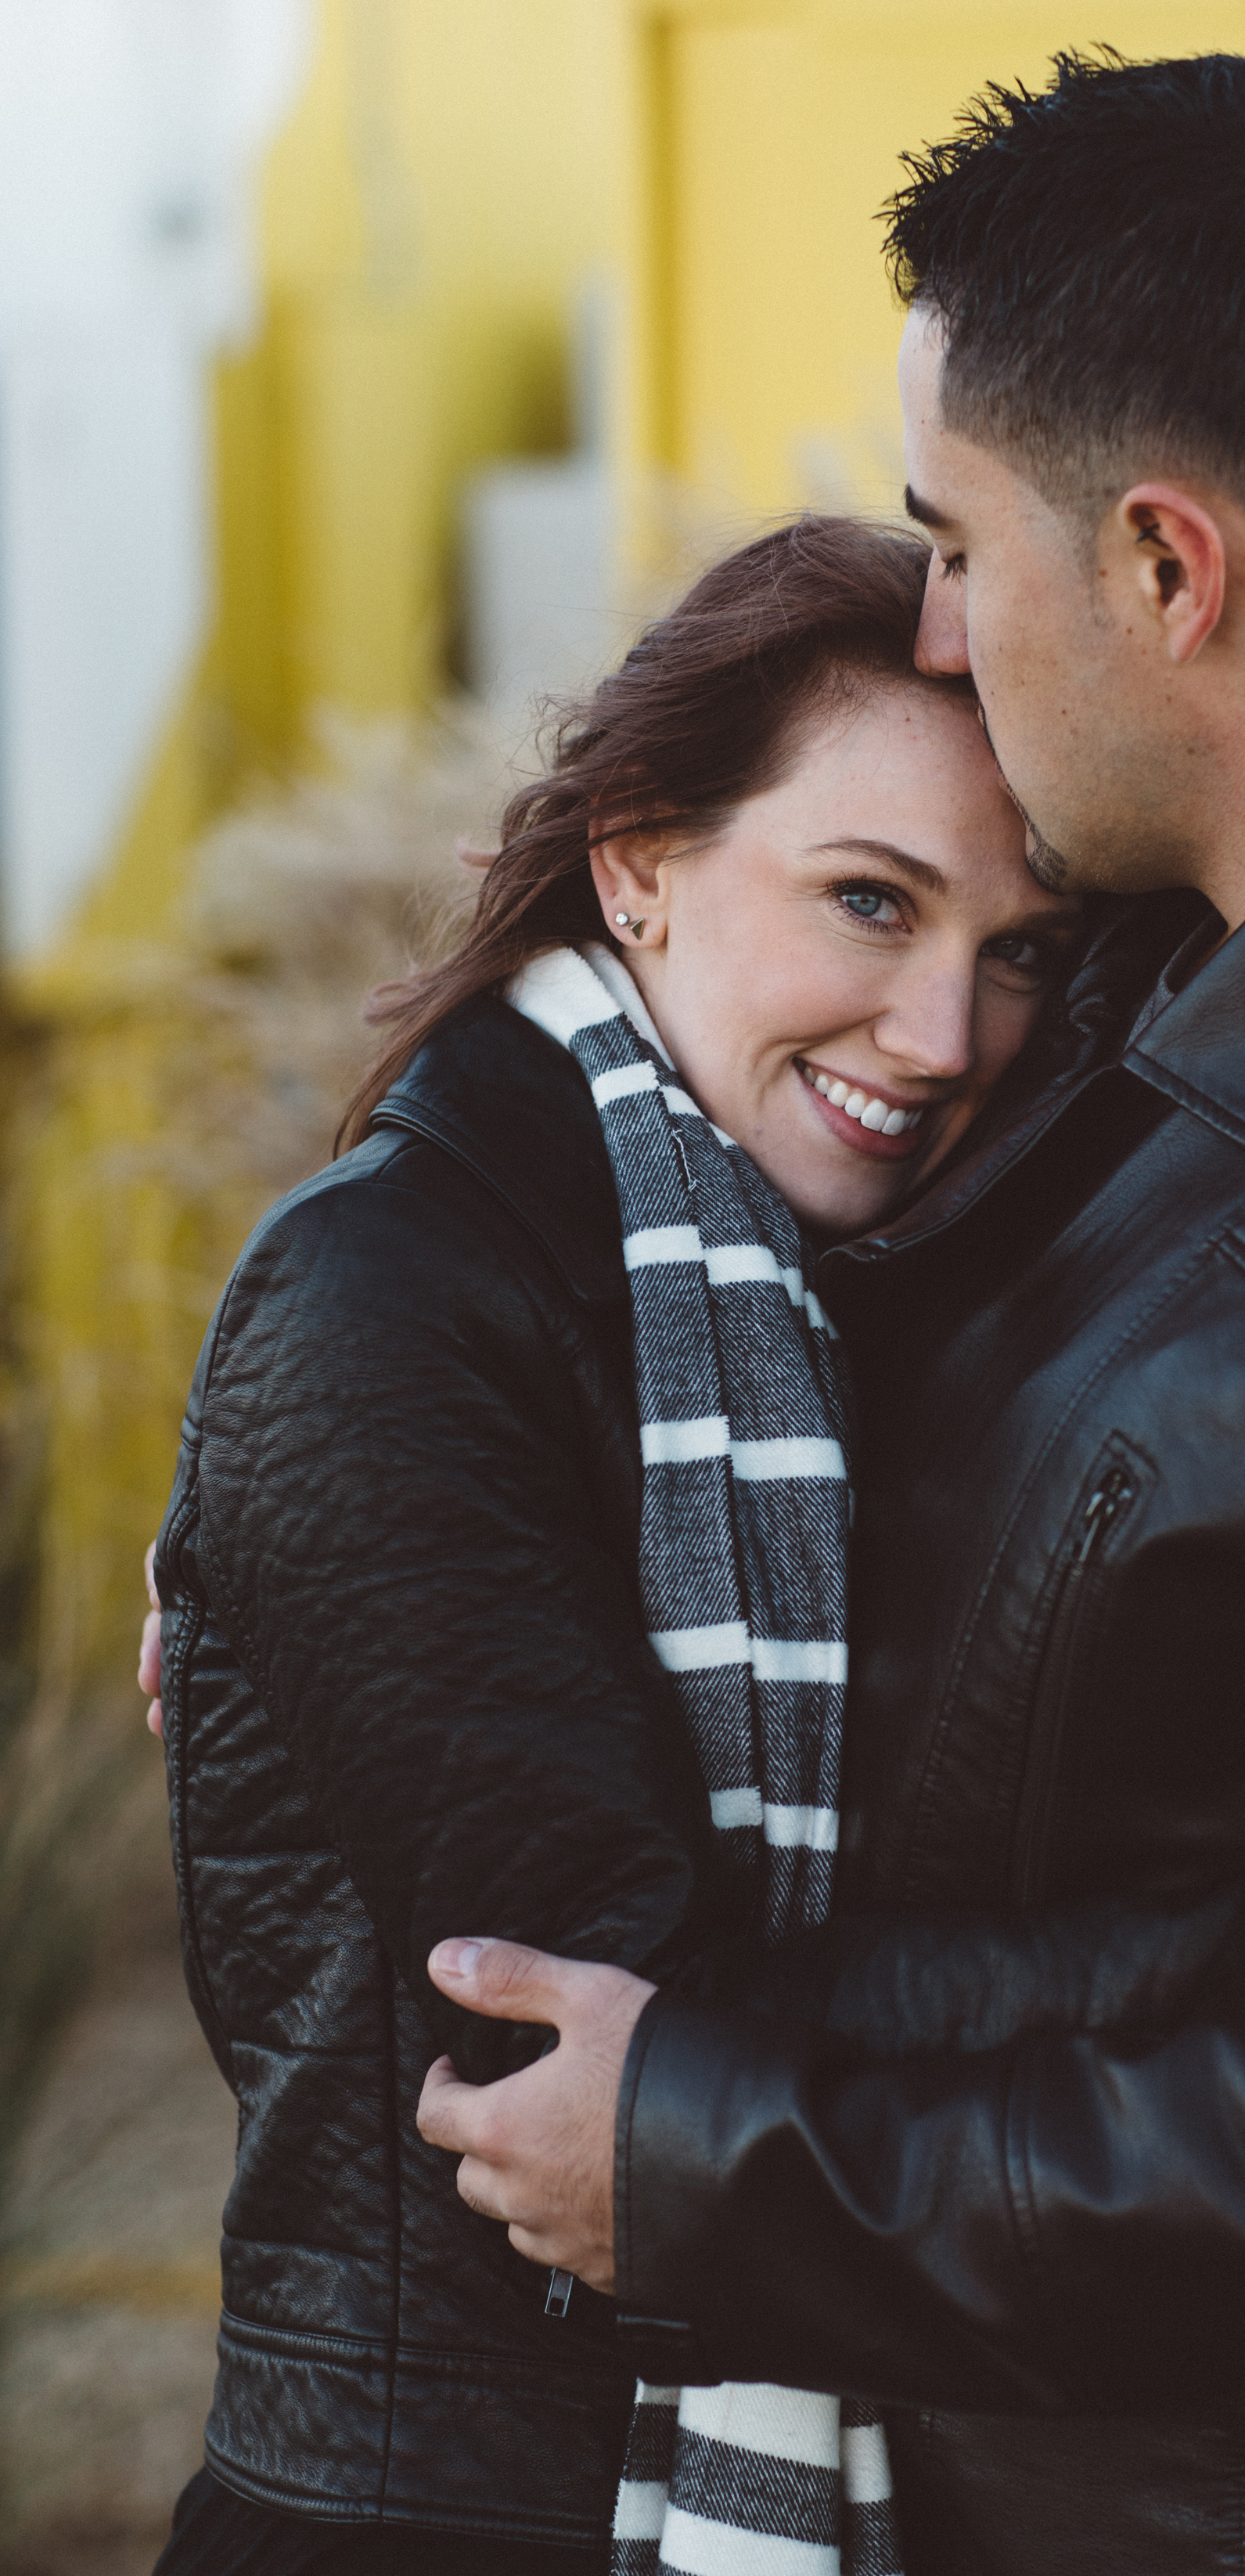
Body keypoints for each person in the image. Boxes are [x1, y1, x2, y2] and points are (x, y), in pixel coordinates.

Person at [415, 53, 1245, 2573]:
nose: (926, 615)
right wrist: (343, 1501)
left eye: (952, 537)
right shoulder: (1166, 956)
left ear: (1160, 565)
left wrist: (718, 2159)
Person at [142, 513, 1078, 2574]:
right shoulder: (387, 1294)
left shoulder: (858, 1324)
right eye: (867, 898)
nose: (941, 1031)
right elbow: (602, 1994)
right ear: (637, 860)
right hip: (451, 2505)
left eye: (1018, 947)